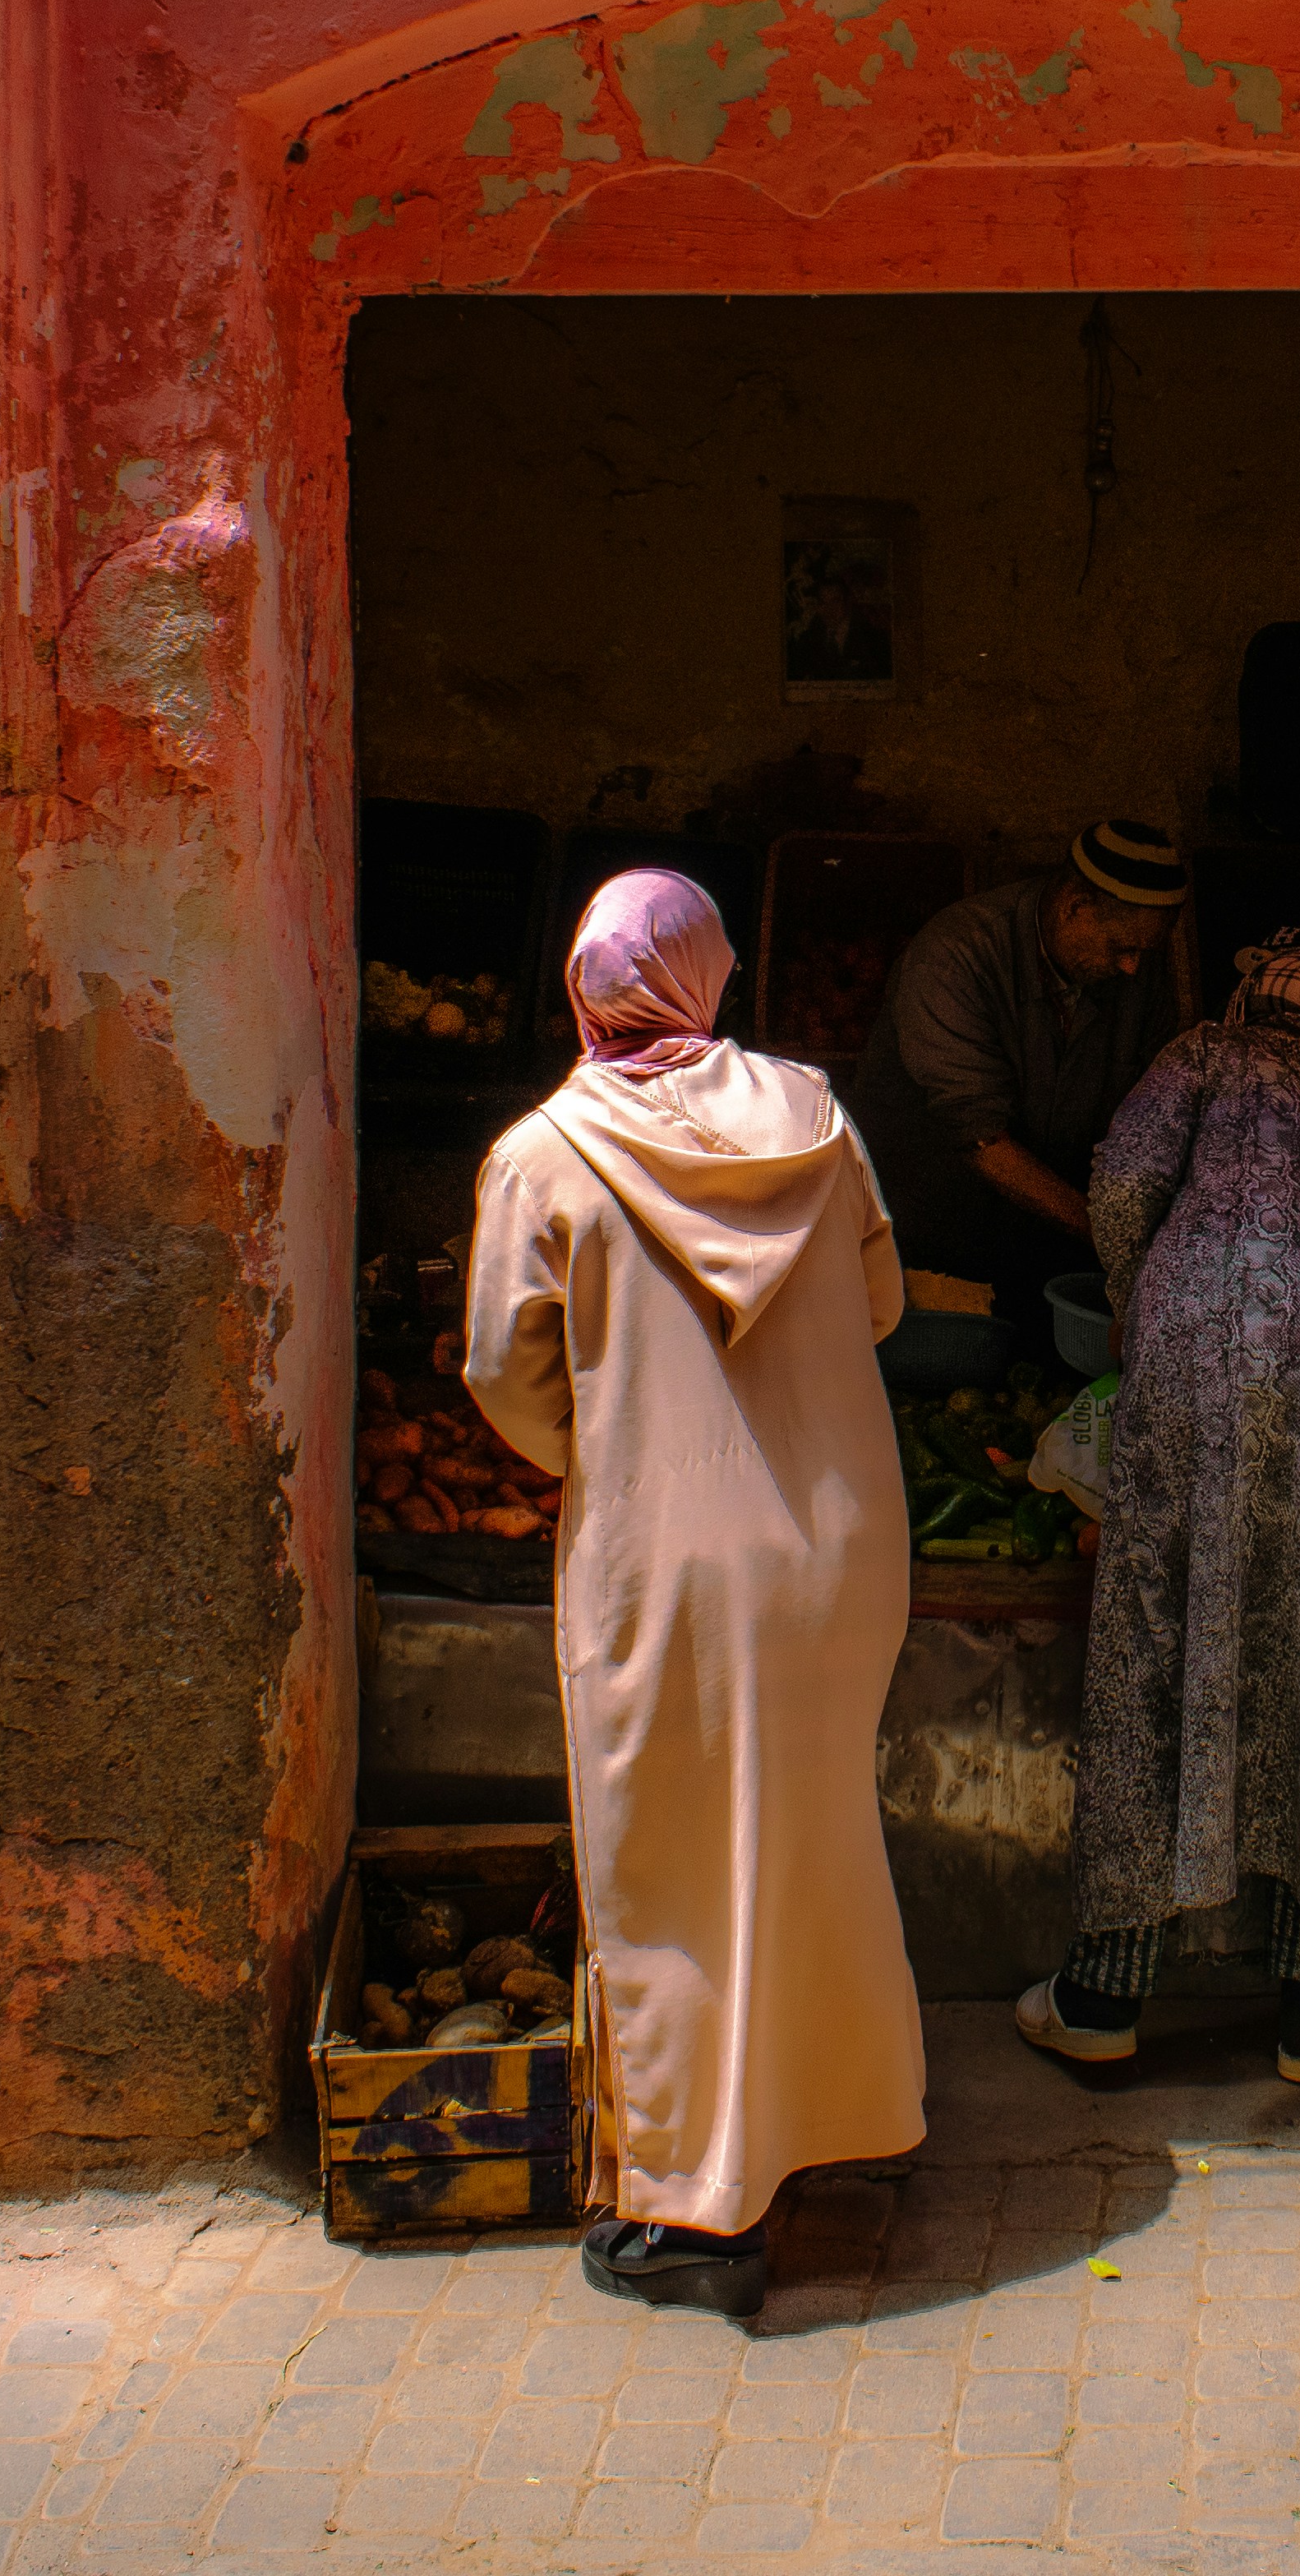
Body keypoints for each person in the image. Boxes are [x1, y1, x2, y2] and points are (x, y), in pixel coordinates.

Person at [465, 870, 926, 2316]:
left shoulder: (542, 1157)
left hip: (665, 1563)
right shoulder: (817, 1116)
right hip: (839, 1555)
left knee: (670, 1874)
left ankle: (697, 2203)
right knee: (816, 1846)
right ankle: (848, 2128)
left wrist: (610, 1450)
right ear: (709, 973)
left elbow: (502, 1376)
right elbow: (884, 1306)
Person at [1018, 930, 1300, 2089]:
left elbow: (1122, 1178)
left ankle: (1103, 1995)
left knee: (1156, 1639)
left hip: (1204, 1357)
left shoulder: (1206, 1058)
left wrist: (1140, 1293)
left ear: (1250, 995)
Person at [839, 815, 1187, 1323]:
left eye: (1144, 952)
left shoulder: (1140, 974)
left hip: (1046, 1240)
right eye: (1123, 947)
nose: (1133, 967)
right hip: (931, 1235)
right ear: (1076, 908)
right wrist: (1104, 1231)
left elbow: (1152, 1107)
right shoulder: (955, 956)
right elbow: (979, 1137)